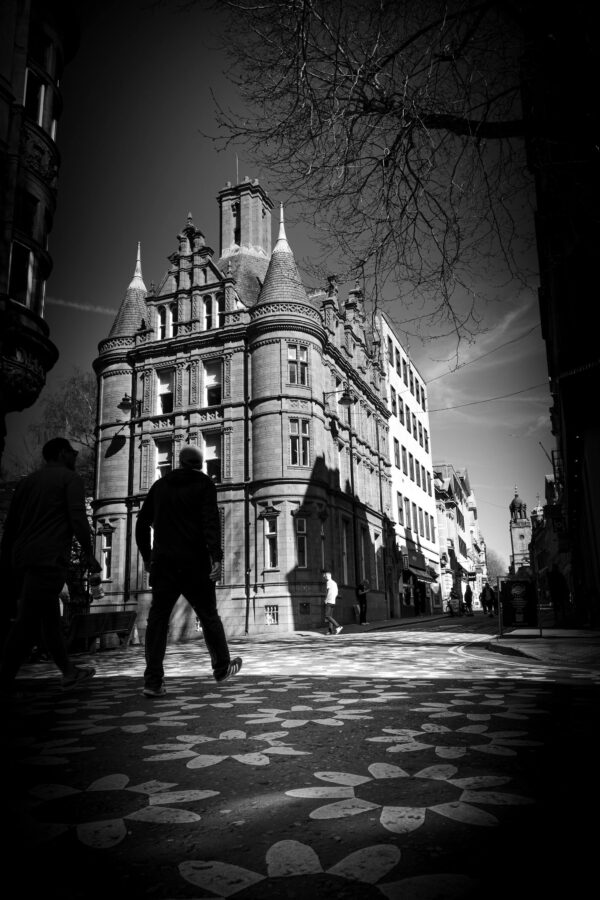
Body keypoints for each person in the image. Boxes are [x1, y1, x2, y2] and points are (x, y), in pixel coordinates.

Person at [135, 444, 241, 696]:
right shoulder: (204, 484)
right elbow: (210, 522)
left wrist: (147, 557)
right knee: (208, 615)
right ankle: (221, 667)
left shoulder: (160, 486)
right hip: (195, 562)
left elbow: (141, 524)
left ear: (179, 462)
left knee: (157, 620)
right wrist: (216, 557)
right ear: (200, 465)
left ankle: (153, 681)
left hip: (164, 563)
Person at [0, 438, 100, 695]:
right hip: (48, 557)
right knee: (27, 622)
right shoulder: (70, 479)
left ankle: (68, 671)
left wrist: (6, 559)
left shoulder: (26, 483)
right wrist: (89, 553)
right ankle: (3, 678)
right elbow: (77, 517)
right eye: (72, 452)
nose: (76, 456)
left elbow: (11, 526)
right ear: (61, 453)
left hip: (22, 558)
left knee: (49, 619)